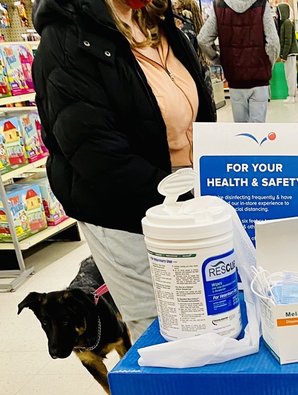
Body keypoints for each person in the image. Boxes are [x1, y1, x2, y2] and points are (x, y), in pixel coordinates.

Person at [33, 0, 216, 337]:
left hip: (184, 199)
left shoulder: (155, 21)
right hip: (124, 213)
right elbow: (95, 153)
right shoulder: (67, 39)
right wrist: (179, 200)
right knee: (158, 327)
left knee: (203, 313)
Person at [198, 0, 280, 123]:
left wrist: (216, 59)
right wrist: (268, 65)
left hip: (235, 79)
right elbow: (273, 42)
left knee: (241, 130)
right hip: (259, 80)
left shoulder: (219, 5)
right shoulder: (261, 4)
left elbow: (203, 39)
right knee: (258, 130)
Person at [277, 3, 298, 104]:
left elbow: (287, 40)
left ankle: (291, 96)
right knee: (291, 75)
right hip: (289, 53)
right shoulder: (286, 22)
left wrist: (283, 55)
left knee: (290, 75)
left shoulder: (287, 23)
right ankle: (292, 95)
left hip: (290, 53)